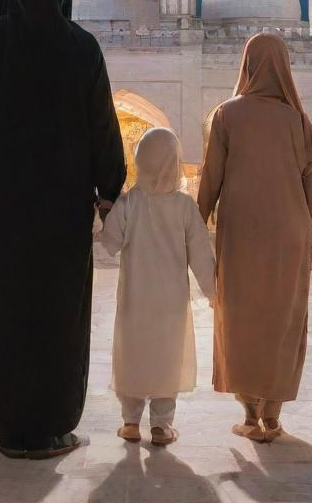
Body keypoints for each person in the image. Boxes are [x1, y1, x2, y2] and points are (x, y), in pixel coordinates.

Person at [0, 0, 126, 459]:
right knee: (59, 315)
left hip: (6, 207)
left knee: (8, 312)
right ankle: (52, 426)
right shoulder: (81, 48)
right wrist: (108, 192)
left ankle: (11, 426)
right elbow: (102, 128)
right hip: (64, 208)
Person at [197, 33, 312, 443]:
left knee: (239, 318)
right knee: (283, 318)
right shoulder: (299, 121)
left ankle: (250, 414)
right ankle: (273, 414)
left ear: (247, 66)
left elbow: (210, 179)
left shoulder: (226, 115)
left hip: (240, 235)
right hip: (291, 233)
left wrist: (194, 225)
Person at [102, 127, 215, 447]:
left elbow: (110, 242)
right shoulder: (184, 206)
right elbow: (201, 255)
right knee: (167, 358)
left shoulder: (130, 202)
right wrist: (212, 292)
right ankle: (162, 426)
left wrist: (107, 212)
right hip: (171, 304)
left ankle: (130, 421)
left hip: (136, 300)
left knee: (134, 356)